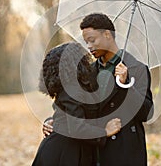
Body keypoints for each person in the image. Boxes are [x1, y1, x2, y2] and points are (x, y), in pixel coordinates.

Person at [43, 13, 154, 166]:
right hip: (93, 151)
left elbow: (147, 113)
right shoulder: (87, 71)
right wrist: (54, 121)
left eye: (92, 40)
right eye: (86, 41)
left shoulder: (137, 68)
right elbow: (72, 103)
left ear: (107, 34)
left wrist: (125, 85)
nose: (89, 46)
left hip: (124, 151)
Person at [32, 42, 122, 166]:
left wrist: (50, 121)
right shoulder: (71, 89)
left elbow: (63, 116)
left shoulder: (76, 86)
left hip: (66, 149)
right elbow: (77, 128)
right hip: (64, 153)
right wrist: (105, 132)